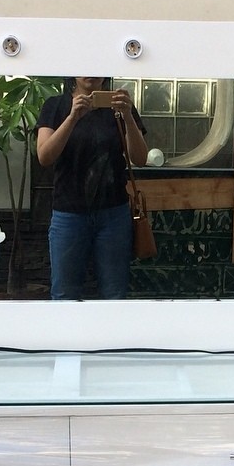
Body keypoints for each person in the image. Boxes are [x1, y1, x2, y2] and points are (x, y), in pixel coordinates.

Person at [36, 76, 148, 300]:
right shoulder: (55, 105)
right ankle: (68, 335)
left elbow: (140, 158)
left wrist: (127, 116)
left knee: (114, 292)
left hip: (113, 213)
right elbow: (44, 156)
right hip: (68, 213)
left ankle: (110, 335)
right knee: (64, 293)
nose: (91, 73)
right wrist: (72, 118)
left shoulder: (119, 106)